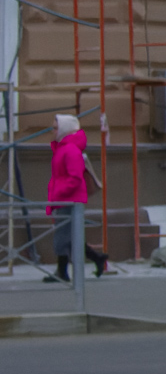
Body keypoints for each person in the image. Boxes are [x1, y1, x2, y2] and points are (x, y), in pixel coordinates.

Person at [45, 114, 106, 282]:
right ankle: (97, 258)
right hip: (65, 198)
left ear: (64, 130)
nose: (53, 131)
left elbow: (74, 178)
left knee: (62, 237)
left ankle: (62, 272)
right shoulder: (62, 148)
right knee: (72, 236)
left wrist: (58, 194)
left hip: (69, 200)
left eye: (55, 128)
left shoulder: (70, 150)